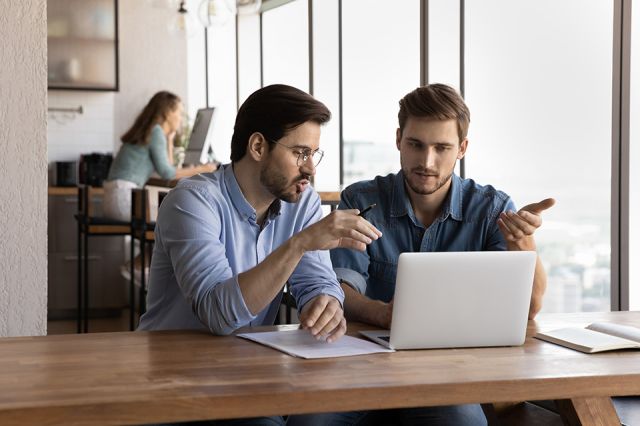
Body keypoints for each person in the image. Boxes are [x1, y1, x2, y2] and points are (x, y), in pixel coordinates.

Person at [295, 83, 555, 426]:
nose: (426, 161)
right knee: (310, 423)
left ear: (462, 148)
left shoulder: (492, 209)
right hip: (361, 368)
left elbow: (530, 309)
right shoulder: (361, 201)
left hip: (450, 374)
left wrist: (524, 243)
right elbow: (340, 288)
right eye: (416, 145)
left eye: (442, 147)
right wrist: (386, 315)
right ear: (399, 139)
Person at [138, 84, 381, 425]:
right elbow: (218, 315)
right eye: (300, 153)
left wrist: (325, 303)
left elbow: (316, 282)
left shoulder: (302, 201)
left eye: (315, 154)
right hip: (173, 377)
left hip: (248, 371)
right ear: (257, 146)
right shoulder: (191, 202)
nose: (310, 168)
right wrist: (300, 243)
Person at [103, 90, 216, 221]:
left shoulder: (151, 131)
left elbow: (168, 168)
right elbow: (167, 173)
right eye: (179, 113)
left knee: (171, 217)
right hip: (124, 201)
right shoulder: (156, 131)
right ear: (168, 113)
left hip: (114, 199)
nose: (180, 118)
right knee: (177, 219)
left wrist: (169, 141)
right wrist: (202, 169)